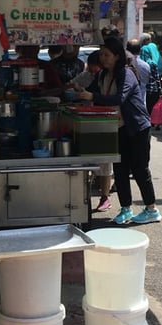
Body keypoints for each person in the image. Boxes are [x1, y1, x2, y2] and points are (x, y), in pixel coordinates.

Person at [80, 34, 160, 225]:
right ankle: (125, 208)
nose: (103, 58)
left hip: (137, 127)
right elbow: (92, 91)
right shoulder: (102, 75)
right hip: (118, 127)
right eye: (101, 55)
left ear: (117, 56)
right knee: (120, 168)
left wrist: (91, 96)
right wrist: (76, 91)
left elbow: (118, 99)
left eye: (106, 55)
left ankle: (151, 209)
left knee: (140, 169)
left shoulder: (127, 73)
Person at [73, 51, 113, 211]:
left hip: (103, 120)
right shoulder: (86, 75)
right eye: (90, 69)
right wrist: (76, 89)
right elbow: (71, 85)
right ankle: (82, 196)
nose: (92, 72)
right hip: (85, 119)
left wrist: (91, 96)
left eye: (94, 69)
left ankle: (105, 197)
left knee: (105, 160)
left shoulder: (109, 77)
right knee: (83, 159)